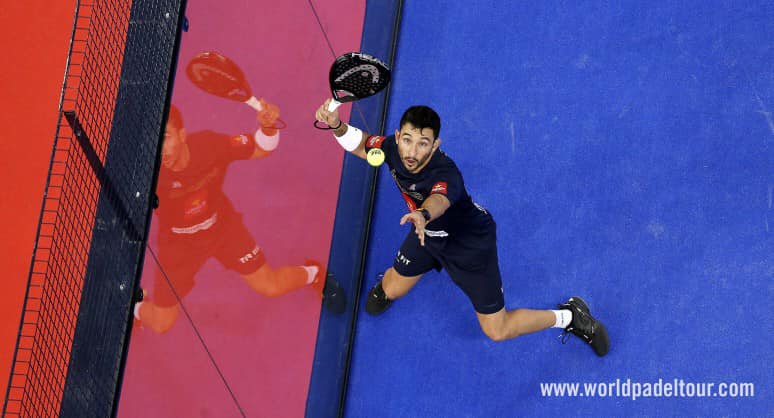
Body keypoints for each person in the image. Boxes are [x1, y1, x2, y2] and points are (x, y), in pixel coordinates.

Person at [315, 99, 609, 356]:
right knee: (390, 289)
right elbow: (365, 146)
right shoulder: (393, 149)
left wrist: (423, 215)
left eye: (422, 143)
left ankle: (571, 317)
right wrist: (337, 125)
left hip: (468, 245)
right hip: (426, 237)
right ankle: (394, 280)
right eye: (407, 140)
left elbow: (439, 199)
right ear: (397, 136)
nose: (412, 152)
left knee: (498, 330)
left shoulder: (447, 174)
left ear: (435, 145)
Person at [136, 101, 341, 334]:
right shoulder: (148, 173)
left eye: (166, 137)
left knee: (270, 285)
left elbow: (261, 147)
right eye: (154, 140)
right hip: (178, 245)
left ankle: (315, 274)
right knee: (163, 323)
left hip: (221, 227)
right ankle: (136, 307)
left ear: (182, 135)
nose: (160, 149)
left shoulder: (209, 146)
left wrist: (268, 127)